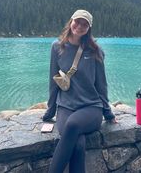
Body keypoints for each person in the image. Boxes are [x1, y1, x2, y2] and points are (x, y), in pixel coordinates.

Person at [43, 9, 116, 173]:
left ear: (89, 28)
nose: (80, 26)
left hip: (91, 108)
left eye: (85, 24)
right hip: (65, 107)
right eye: (78, 21)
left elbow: (101, 85)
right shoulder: (57, 47)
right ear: (71, 22)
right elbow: (53, 81)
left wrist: (108, 113)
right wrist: (49, 112)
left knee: (73, 124)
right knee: (78, 144)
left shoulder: (95, 51)